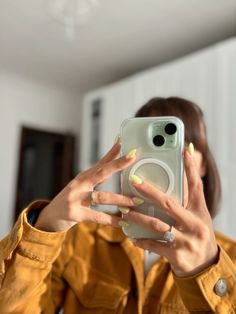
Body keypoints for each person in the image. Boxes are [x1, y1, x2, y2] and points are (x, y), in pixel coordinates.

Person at [0, 97, 235, 314]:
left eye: (181, 144)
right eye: (148, 146)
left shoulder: (230, 258)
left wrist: (207, 272)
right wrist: (45, 229)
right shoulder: (81, 239)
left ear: (202, 165)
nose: (160, 160)